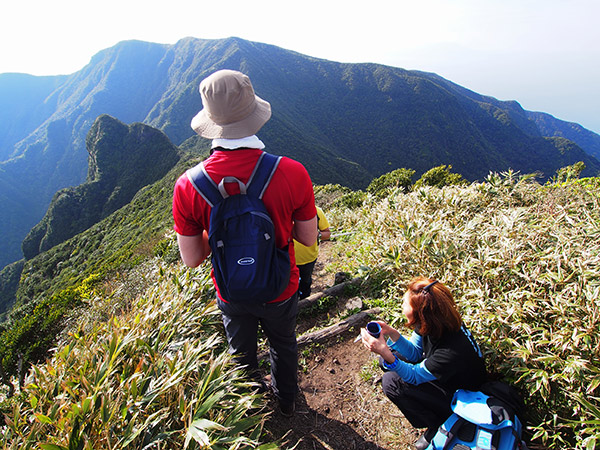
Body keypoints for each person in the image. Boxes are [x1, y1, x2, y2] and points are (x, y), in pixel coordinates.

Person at [172, 69, 318, 417]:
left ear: (210, 121)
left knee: (241, 353)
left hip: (231, 291)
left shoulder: (187, 186)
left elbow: (192, 258)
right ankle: (286, 400)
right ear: (254, 114)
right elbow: (308, 238)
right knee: (283, 344)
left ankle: (250, 406)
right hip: (280, 286)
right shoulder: (292, 171)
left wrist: (219, 230)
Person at [360, 277, 487, 450]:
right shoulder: (436, 320)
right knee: (387, 360)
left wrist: (385, 352)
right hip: (444, 373)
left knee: (391, 382)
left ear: (420, 313)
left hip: (463, 396)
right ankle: (437, 417)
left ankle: (439, 422)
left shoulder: (450, 351)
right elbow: (414, 353)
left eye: (405, 303)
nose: (402, 306)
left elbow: (413, 376)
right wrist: (391, 332)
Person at [293, 205, 331, 299]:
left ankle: (305, 303)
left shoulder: (316, 211)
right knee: (290, 287)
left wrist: (315, 234)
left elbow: (327, 234)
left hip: (308, 258)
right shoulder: (284, 211)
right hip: (287, 259)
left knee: (305, 282)